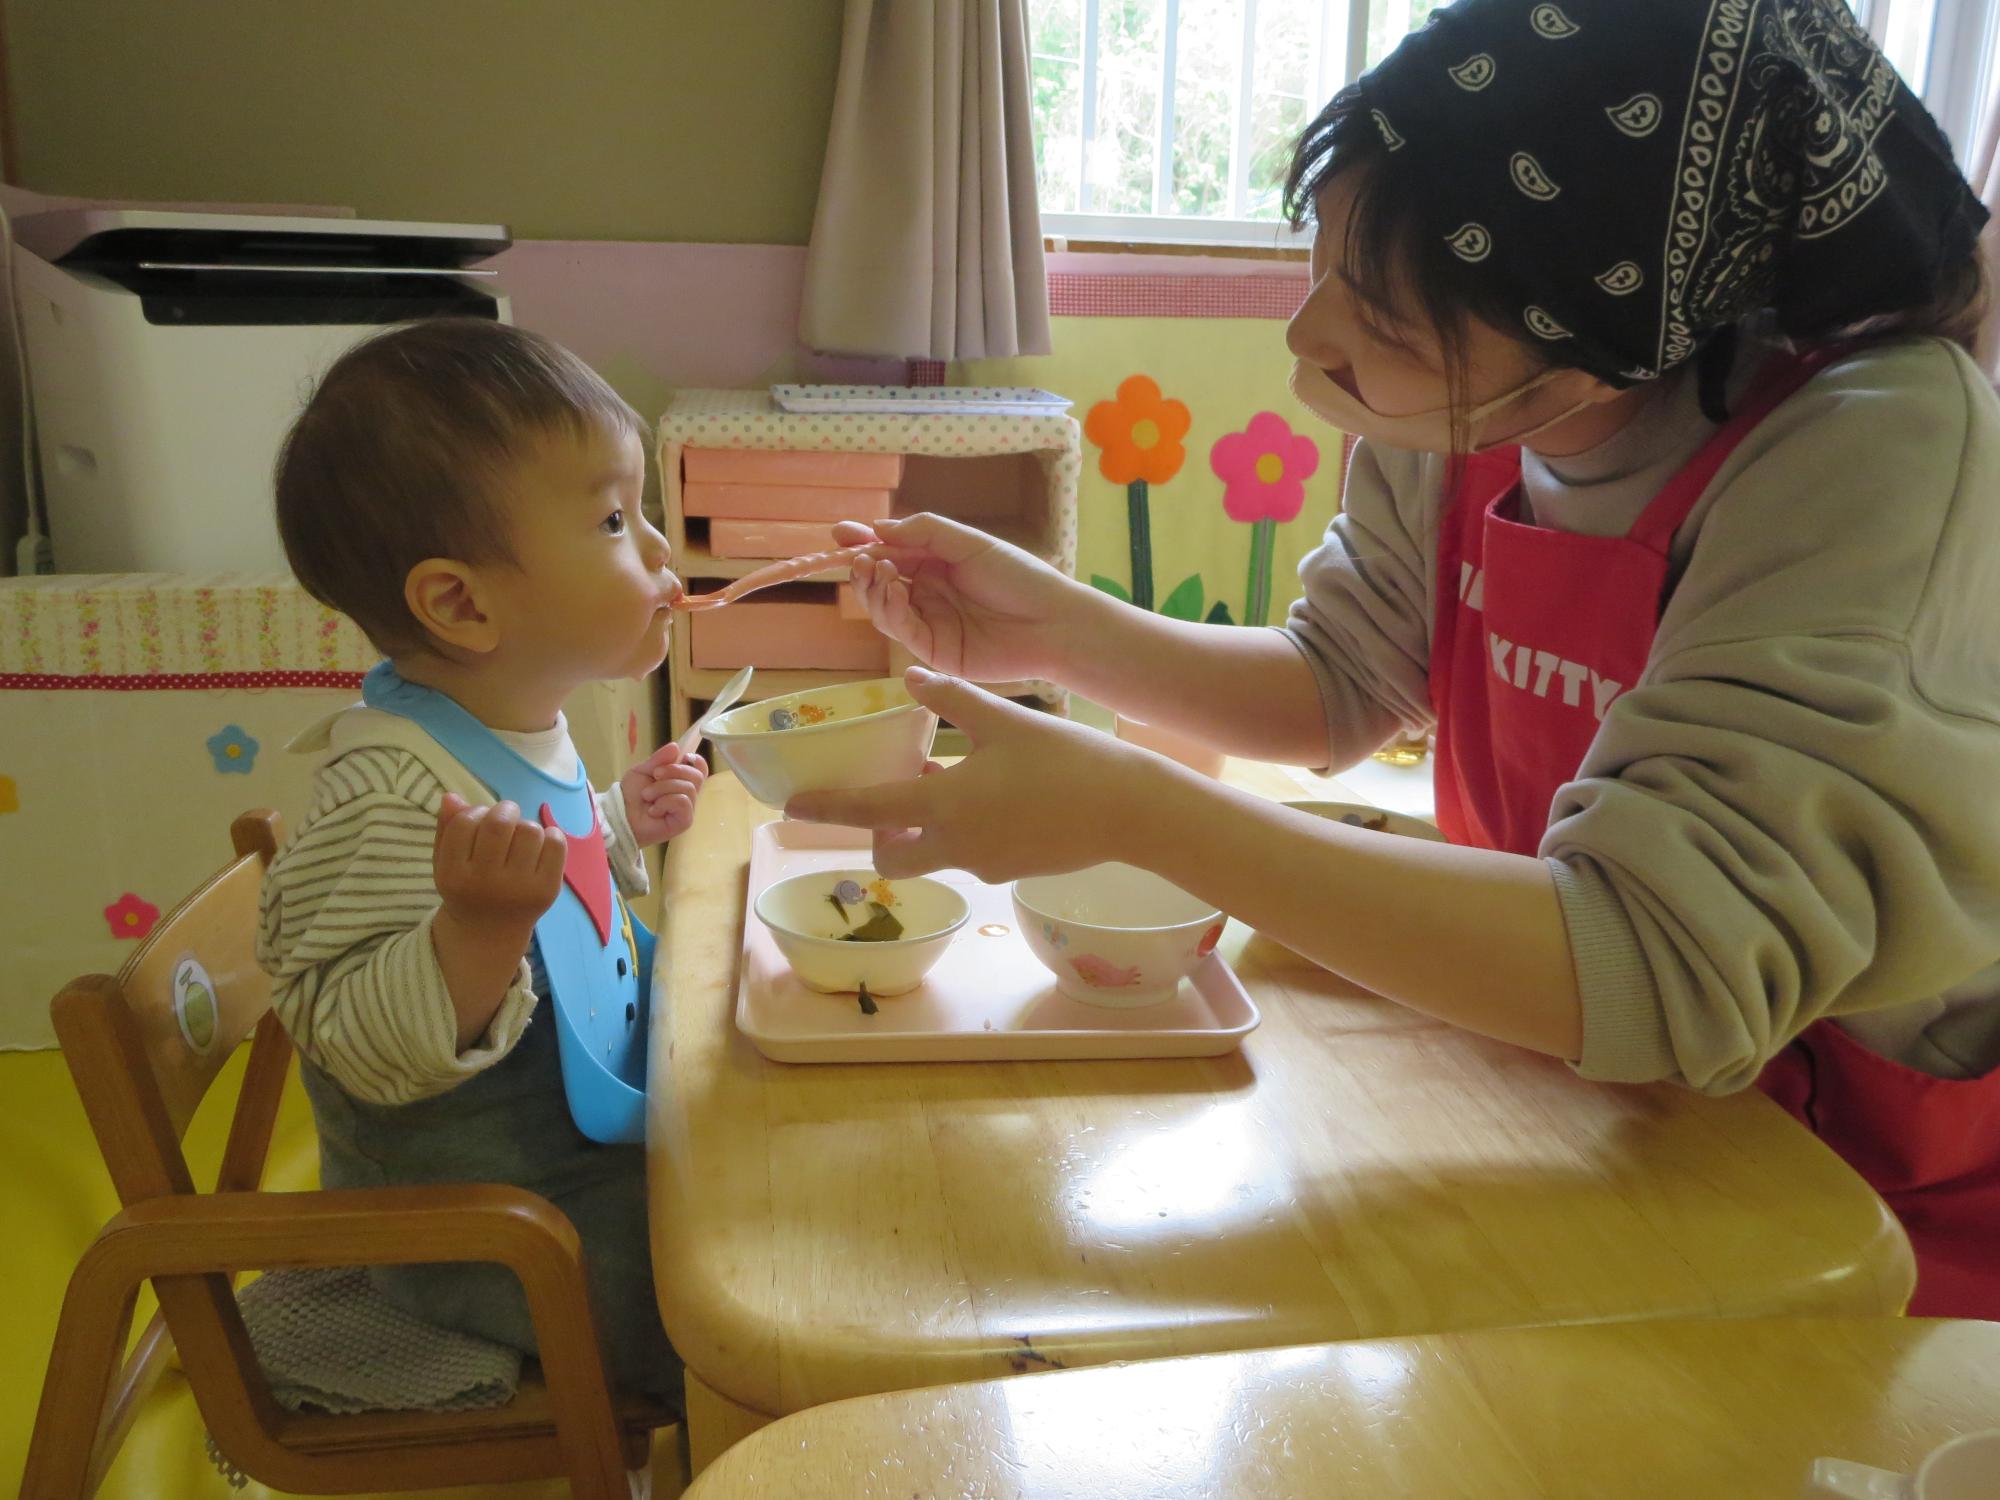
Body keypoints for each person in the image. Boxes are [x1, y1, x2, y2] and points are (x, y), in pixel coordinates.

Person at [791, 0, 2000, 1317]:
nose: (1312, 338)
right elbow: (1341, 680)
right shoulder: (1472, 389)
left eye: (1386, 320)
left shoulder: (1871, 450)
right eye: (1327, 268)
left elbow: (1662, 963)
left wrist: (1133, 808)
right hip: (1601, 1085)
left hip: (1871, 1186)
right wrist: (1055, 629)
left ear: (1600, 360)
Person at [258, 319, 702, 1402]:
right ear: (461, 603)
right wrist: (474, 932)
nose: (657, 551)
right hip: (487, 1217)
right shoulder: (385, 797)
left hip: (571, 1139)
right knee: (723, 1293)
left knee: (747, 1156)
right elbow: (358, 1041)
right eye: (611, 518)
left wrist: (616, 822)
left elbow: (544, 858)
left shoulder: (514, 715)